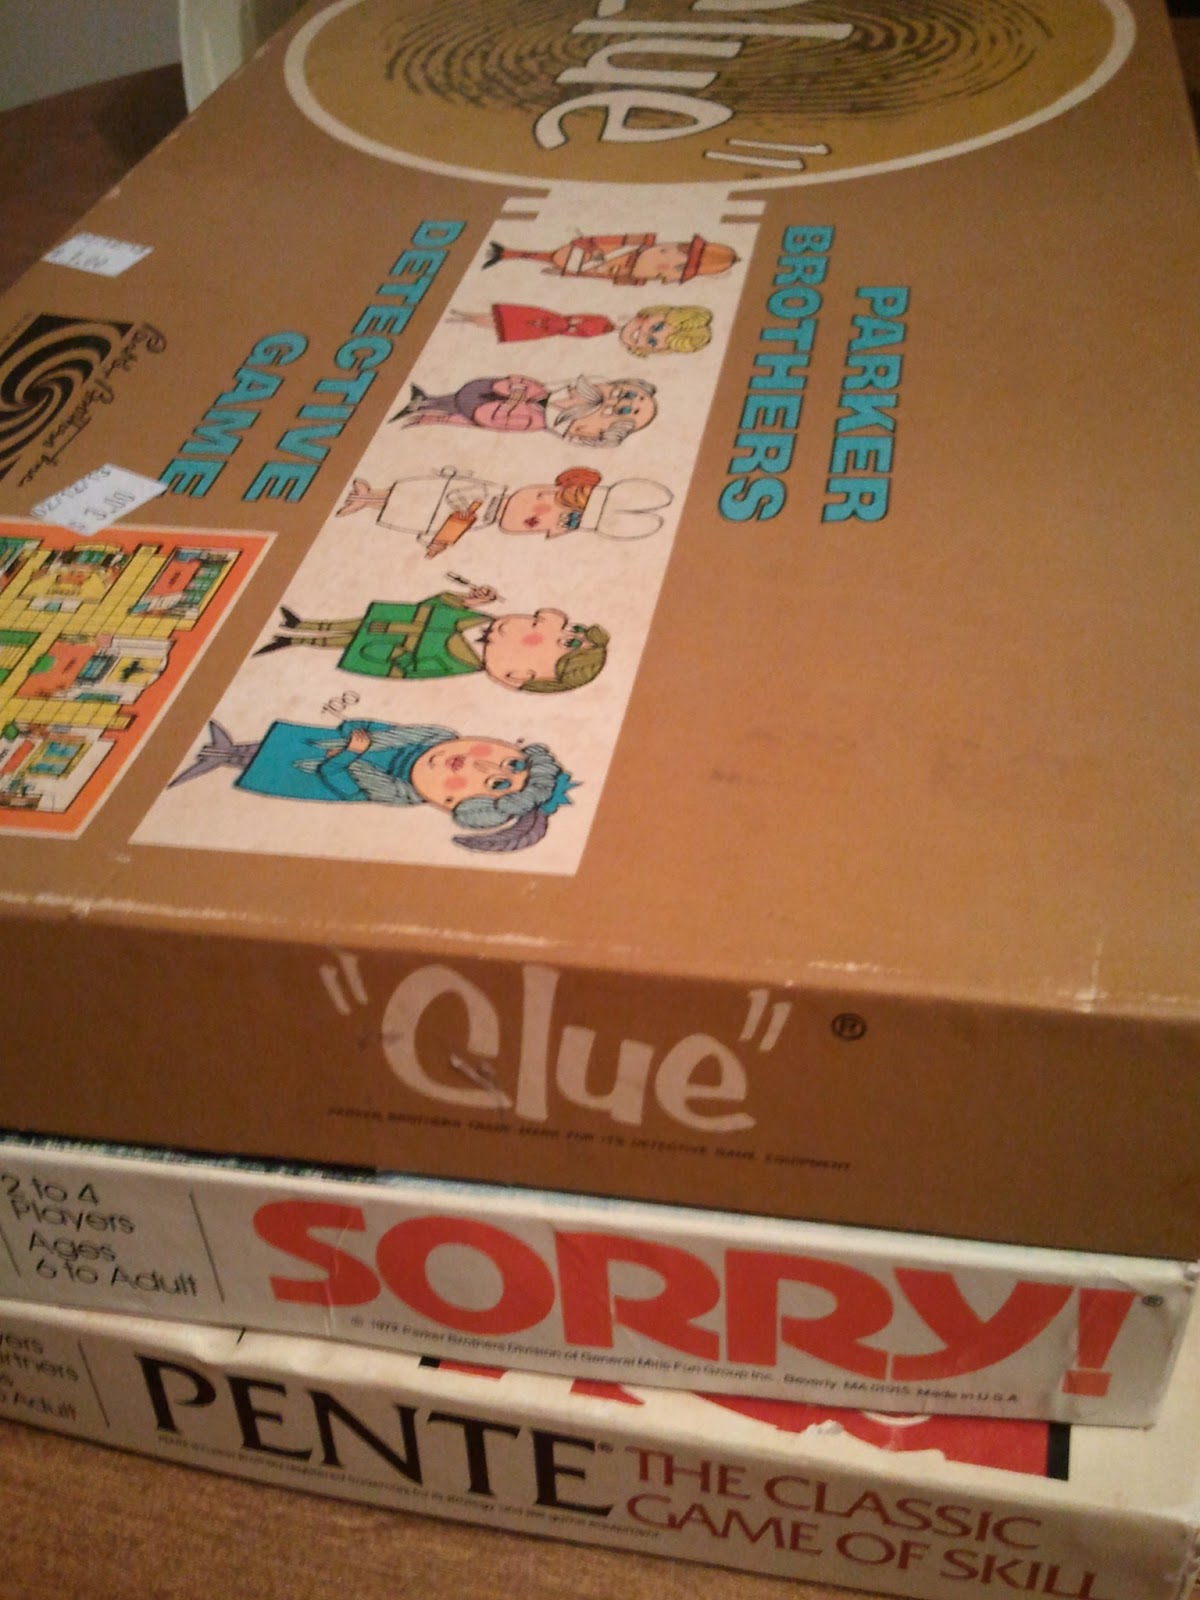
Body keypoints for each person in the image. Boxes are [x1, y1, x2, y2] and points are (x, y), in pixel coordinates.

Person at [168, 719, 575, 852]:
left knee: (264, 761)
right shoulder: (436, 736)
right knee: (266, 745)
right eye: (512, 762)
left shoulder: (398, 792)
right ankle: (224, 750)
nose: (481, 763)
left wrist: (351, 753)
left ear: (454, 802)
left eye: (496, 782)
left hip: (311, 770)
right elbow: (377, 727)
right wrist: (358, 731)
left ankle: (221, 757)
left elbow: (338, 781)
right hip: (320, 742)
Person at [253, 585, 609, 693]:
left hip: (388, 647)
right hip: (396, 622)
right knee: (353, 624)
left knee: (349, 640)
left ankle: (297, 641)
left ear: (516, 676)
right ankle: (304, 624)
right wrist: (471, 601)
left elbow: (416, 666)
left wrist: (402, 656)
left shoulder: (458, 661)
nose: (541, 622)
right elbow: (436, 606)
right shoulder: (478, 621)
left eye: (565, 641)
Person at [336, 466, 672, 554]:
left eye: (567, 519)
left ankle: (364, 504)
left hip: (471, 517)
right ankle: (371, 495)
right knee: (413, 493)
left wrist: (441, 540)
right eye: (550, 495)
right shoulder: (493, 491)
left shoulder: (489, 521)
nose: (542, 510)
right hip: (471, 497)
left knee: (413, 514)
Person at [390, 373, 656, 447]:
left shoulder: (532, 421)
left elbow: (485, 420)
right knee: (476, 391)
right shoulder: (587, 387)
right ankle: (427, 401)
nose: (619, 403)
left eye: (626, 412)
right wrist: (523, 390)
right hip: (536, 396)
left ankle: (426, 409)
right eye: (631, 395)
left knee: (477, 412)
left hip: (530, 415)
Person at [449, 303, 712, 357]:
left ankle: (465, 319)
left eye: (652, 342)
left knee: (506, 326)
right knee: (506, 319)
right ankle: (464, 317)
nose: (643, 334)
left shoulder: (604, 330)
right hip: (550, 321)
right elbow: (576, 321)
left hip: (549, 330)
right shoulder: (604, 319)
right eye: (655, 327)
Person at [484, 233, 737, 285]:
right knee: (554, 257)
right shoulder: (643, 241)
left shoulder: (637, 277)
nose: (664, 267)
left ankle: (507, 254)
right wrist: (589, 243)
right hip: (587, 255)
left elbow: (606, 278)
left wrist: (571, 274)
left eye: (675, 271)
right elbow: (611, 240)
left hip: (590, 265)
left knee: (555, 260)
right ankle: (507, 253)